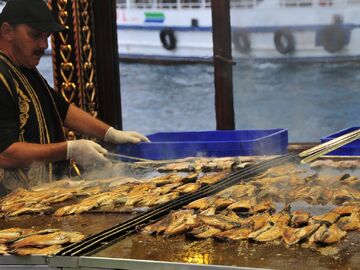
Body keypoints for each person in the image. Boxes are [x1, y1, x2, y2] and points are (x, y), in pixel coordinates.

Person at [0, 0, 149, 193]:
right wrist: (70, 149)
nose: (43, 45)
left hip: (40, 196)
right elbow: (5, 153)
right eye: (35, 35)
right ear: (7, 31)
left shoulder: (23, 67)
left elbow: (62, 109)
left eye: (46, 37)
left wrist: (111, 134)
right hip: (9, 206)